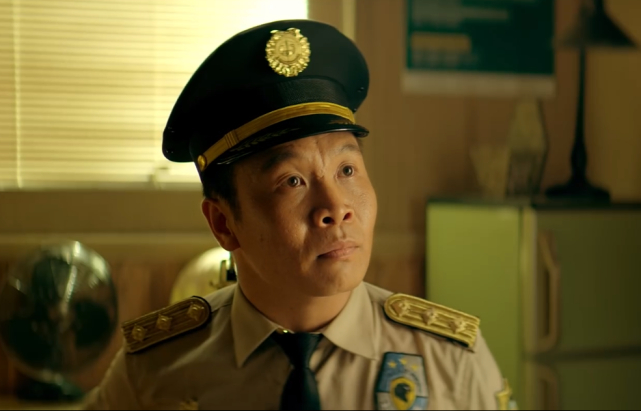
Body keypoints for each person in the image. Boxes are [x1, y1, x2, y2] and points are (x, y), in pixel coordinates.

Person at [82, 19, 516, 410]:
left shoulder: (451, 364)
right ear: (223, 224)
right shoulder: (154, 373)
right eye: (292, 181)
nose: (336, 208)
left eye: (347, 170)